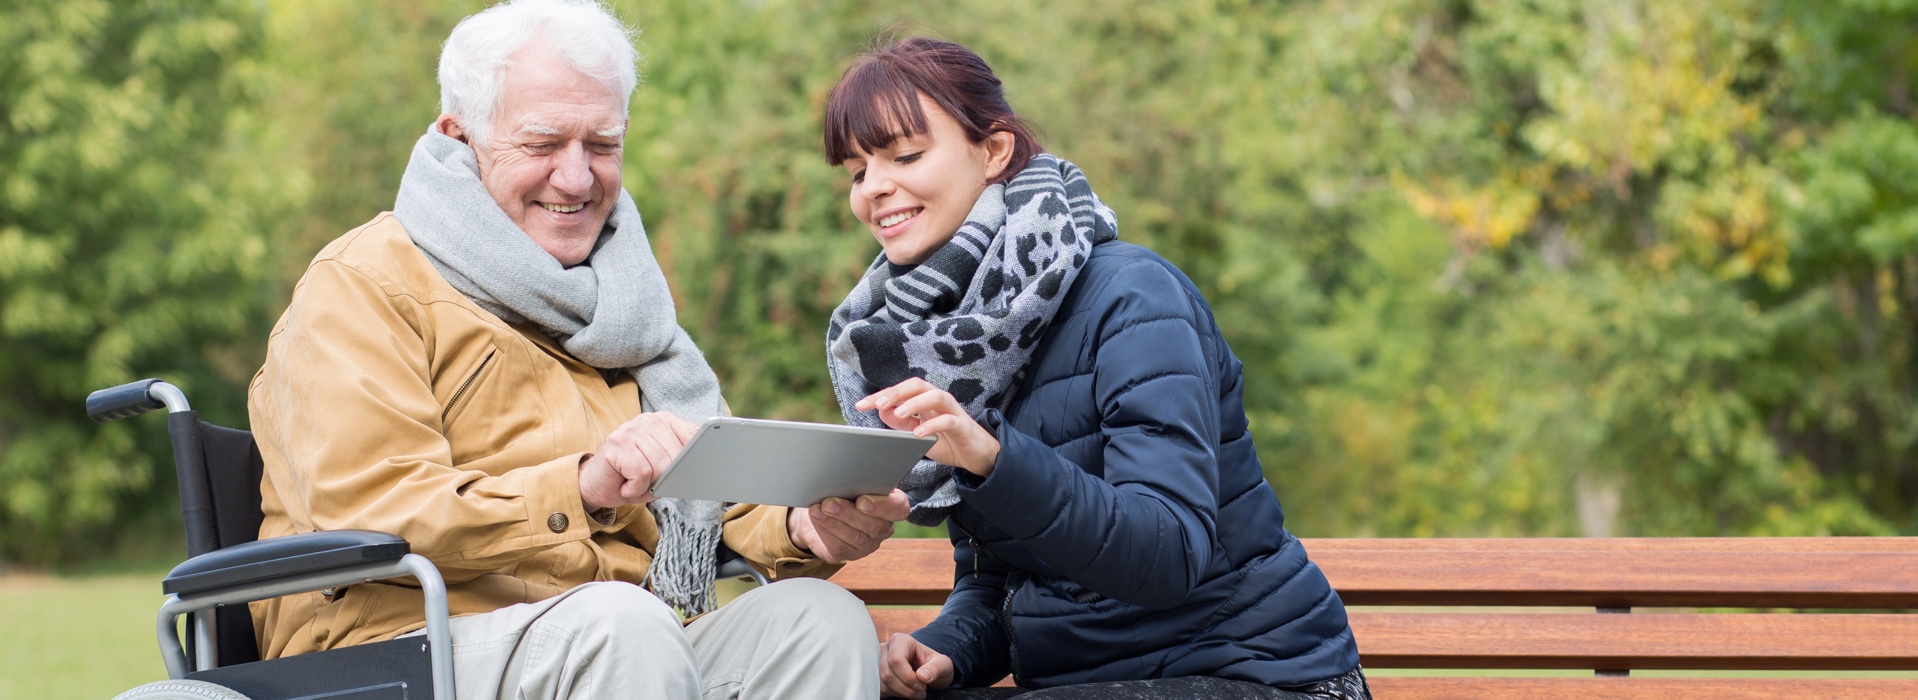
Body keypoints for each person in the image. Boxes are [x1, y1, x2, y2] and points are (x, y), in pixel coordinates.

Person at [248, 2, 904, 698]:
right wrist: (582, 486)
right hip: (395, 646)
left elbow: (714, 504)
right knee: (625, 624)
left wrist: (806, 527)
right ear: (458, 135)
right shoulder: (363, 283)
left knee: (818, 620)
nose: (576, 177)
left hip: (615, 636)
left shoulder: (624, 304)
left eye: (601, 144)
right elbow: (372, 509)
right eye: (542, 144)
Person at [821, 37, 1369, 699]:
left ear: (992, 151)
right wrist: (943, 651)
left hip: (1257, 678)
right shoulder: (948, 343)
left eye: (905, 155)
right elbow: (999, 590)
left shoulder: (1134, 298)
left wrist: (995, 460)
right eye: (856, 171)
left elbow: (1168, 556)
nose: (875, 188)